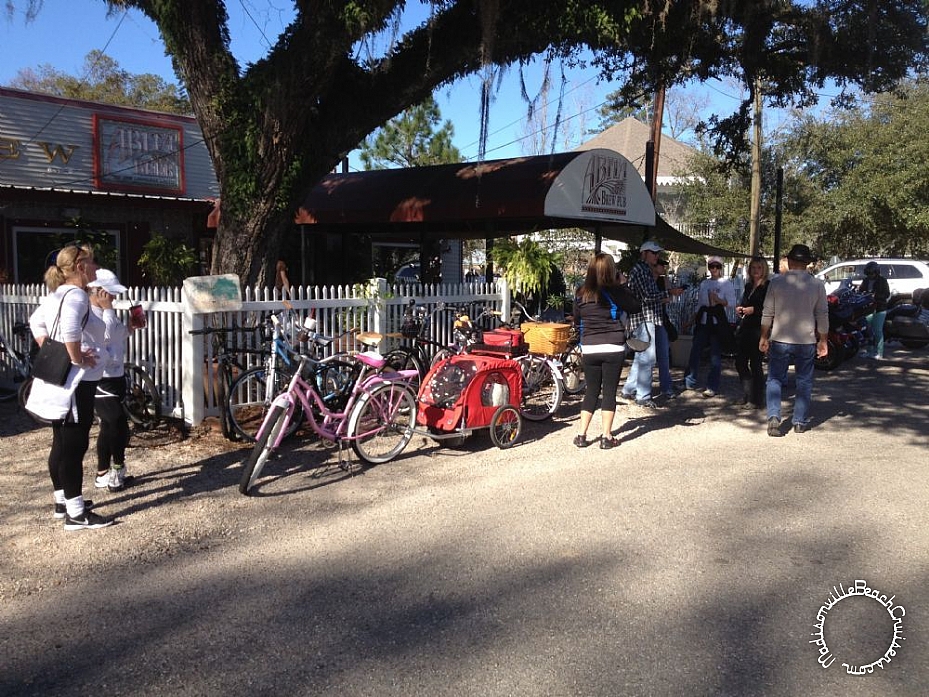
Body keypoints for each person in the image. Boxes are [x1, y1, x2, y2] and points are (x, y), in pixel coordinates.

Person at [29, 243, 114, 529]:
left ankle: (62, 500)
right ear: (80, 267)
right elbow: (69, 329)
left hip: (59, 379)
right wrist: (75, 357)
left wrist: (52, 350)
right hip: (75, 382)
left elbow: (35, 322)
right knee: (75, 445)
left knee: (61, 441)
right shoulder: (76, 294)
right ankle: (76, 514)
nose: (95, 268)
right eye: (92, 263)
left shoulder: (56, 294)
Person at [572, 253, 641, 449]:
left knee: (591, 390)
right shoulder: (615, 291)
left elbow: (577, 320)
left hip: (590, 347)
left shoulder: (580, 293)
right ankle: (606, 437)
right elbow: (635, 306)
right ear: (611, 271)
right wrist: (623, 285)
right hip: (613, 346)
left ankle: (581, 435)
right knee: (609, 392)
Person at [759, 243, 829, 436]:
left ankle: (774, 416)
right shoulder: (817, 285)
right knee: (804, 381)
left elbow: (767, 313)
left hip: (781, 337)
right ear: (807, 263)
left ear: (789, 261)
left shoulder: (776, 283)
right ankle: (799, 421)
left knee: (774, 379)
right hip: (806, 339)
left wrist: (764, 336)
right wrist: (823, 340)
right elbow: (822, 314)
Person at [87, 269, 134, 492]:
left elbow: (115, 336)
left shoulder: (107, 312)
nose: (113, 298)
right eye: (109, 293)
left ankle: (105, 472)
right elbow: (103, 336)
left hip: (116, 374)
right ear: (98, 292)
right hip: (100, 378)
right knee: (114, 423)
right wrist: (108, 310)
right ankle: (114, 470)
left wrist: (130, 328)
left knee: (112, 426)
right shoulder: (90, 313)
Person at [621, 241, 682, 409]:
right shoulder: (640, 270)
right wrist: (669, 292)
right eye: (654, 253)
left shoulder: (644, 270)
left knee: (644, 357)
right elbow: (648, 296)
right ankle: (643, 395)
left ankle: (629, 389)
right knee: (647, 358)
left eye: (657, 253)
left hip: (651, 318)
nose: (657, 256)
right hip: (644, 318)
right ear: (644, 253)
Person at [684, 256, 738, 398]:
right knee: (695, 350)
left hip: (717, 320)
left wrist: (718, 300)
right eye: (711, 266)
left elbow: (732, 303)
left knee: (715, 355)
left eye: (717, 266)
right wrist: (691, 320)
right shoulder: (704, 283)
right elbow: (700, 304)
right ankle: (689, 380)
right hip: (703, 320)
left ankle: (712, 385)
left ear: (721, 268)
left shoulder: (726, 283)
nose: (714, 269)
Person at [734, 256, 770, 409]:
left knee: (756, 364)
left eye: (759, 268)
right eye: (753, 268)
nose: (756, 271)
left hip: (759, 328)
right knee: (740, 362)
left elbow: (769, 309)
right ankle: (748, 393)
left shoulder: (767, 286)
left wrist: (753, 310)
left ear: (764, 270)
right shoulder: (749, 286)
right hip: (746, 327)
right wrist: (740, 309)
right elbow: (744, 303)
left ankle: (757, 399)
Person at [651, 258, 677, 400]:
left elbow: (669, 298)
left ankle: (666, 387)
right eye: (660, 265)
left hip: (661, 318)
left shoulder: (664, 280)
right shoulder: (647, 279)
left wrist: (660, 297)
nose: (663, 268)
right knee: (644, 357)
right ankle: (636, 387)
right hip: (647, 319)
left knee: (664, 354)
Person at [858, 261, 890, 359]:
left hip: (880, 308)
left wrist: (876, 296)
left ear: (876, 272)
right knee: (868, 330)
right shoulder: (866, 280)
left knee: (877, 330)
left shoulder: (882, 280)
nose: (870, 275)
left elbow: (887, 294)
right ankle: (869, 350)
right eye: (868, 273)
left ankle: (879, 352)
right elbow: (861, 290)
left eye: (872, 273)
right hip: (868, 308)